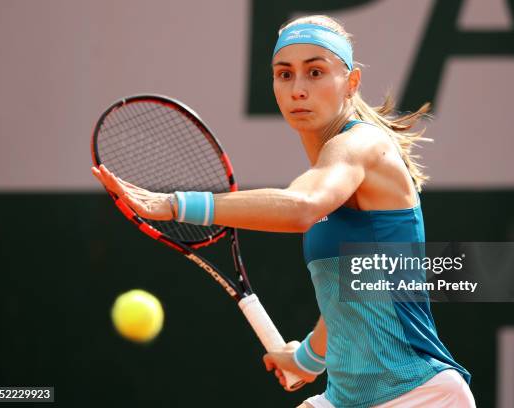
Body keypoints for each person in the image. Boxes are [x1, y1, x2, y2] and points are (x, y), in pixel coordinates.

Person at [92, 14, 475, 408]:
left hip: (420, 395)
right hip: (347, 399)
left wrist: (172, 204)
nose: (298, 89)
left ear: (352, 82)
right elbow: (355, 291)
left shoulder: (363, 145)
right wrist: (308, 358)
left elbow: (301, 208)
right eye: (285, 74)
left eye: (315, 72)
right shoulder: (330, 171)